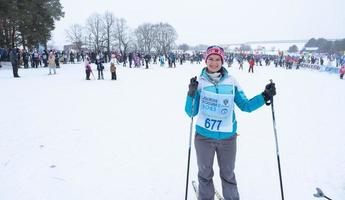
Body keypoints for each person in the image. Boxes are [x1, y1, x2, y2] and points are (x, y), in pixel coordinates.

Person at [184, 45, 276, 200]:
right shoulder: (199, 83)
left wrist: (265, 96)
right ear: (206, 60)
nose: (214, 63)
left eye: (218, 59)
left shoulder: (231, 81)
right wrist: (191, 93)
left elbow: (246, 106)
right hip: (204, 137)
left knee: (228, 174)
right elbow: (191, 112)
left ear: (222, 61)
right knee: (205, 174)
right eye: (211, 59)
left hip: (228, 139)